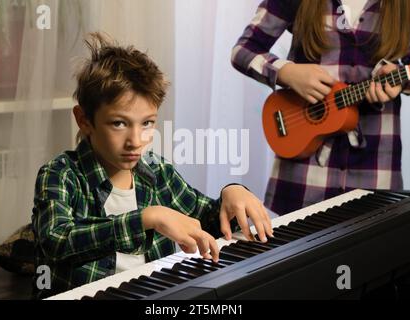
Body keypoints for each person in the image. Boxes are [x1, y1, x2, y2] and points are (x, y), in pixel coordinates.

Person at [31, 32, 273, 299]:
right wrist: (148, 218)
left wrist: (232, 192)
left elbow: (204, 220)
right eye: (119, 123)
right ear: (84, 120)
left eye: (147, 123)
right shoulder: (60, 174)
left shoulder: (158, 172)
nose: (136, 141)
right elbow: (58, 241)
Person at [231, 0, 410, 215]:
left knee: (375, 245)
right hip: (303, 173)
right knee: (298, 247)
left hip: (377, 165)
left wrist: (400, 78)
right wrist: (286, 72)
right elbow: (243, 50)